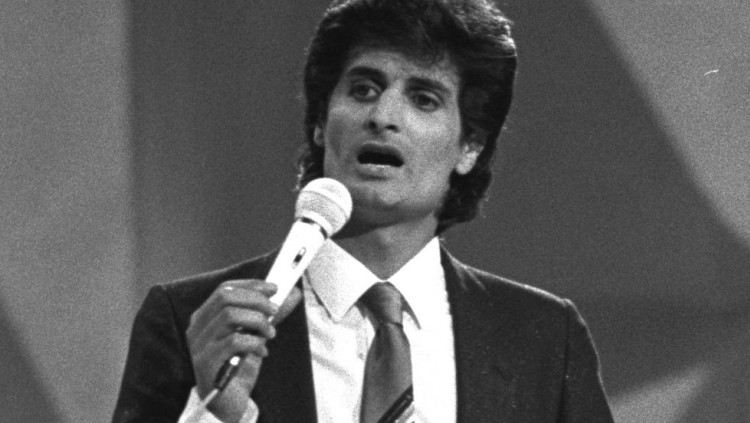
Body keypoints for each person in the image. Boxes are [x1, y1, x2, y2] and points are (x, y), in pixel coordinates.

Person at [113, 0, 615, 422]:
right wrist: (219, 413)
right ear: (320, 122)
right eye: (363, 89)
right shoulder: (191, 321)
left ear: (469, 148)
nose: (383, 116)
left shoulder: (546, 338)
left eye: (423, 99)